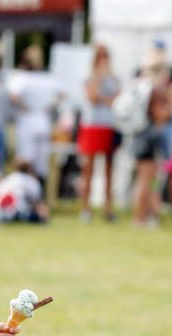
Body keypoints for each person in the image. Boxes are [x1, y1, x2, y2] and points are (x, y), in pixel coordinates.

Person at [131, 46, 172, 227]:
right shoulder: (151, 89)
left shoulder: (142, 85)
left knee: (148, 180)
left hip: (142, 136)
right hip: (147, 138)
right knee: (145, 180)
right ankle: (140, 217)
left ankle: (148, 214)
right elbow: (160, 115)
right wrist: (170, 104)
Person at [77, 43, 120, 222]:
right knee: (89, 168)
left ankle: (108, 208)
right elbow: (93, 97)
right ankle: (86, 207)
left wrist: (106, 98)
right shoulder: (89, 76)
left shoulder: (114, 77)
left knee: (109, 169)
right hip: (92, 125)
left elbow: (117, 98)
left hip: (109, 125)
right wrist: (99, 78)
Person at [9, 45, 62, 187]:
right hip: (43, 120)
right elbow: (61, 95)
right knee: (41, 160)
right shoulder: (48, 78)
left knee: (27, 158)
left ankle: (27, 191)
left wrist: (25, 107)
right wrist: (48, 108)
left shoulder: (22, 78)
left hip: (28, 121)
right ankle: (39, 193)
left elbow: (13, 96)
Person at [0, 158, 50, 223]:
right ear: (29, 169)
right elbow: (38, 203)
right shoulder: (31, 181)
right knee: (37, 216)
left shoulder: (8, 179)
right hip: (13, 214)